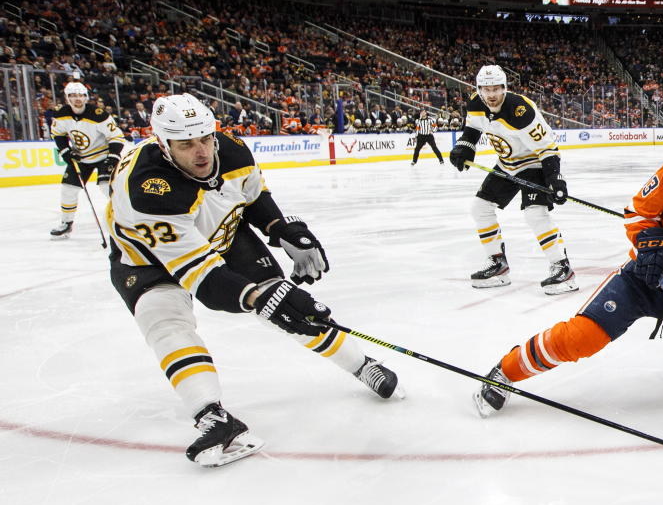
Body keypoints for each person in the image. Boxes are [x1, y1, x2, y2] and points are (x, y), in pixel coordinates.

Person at [107, 93, 402, 467]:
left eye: (205, 139)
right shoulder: (147, 189)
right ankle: (210, 413)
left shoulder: (231, 150)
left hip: (221, 235)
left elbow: (253, 196)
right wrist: (258, 295)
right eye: (186, 145)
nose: (201, 152)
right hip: (146, 258)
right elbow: (204, 279)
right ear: (163, 145)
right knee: (164, 319)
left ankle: (361, 364)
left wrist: (282, 229)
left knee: (287, 306)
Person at [474, 114, 663, 417]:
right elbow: (638, 212)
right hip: (642, 279)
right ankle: (504, 372)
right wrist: (648, 239)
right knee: (581, 338)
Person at [449, 65, 577, 295]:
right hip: (507, 164)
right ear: (479, 89)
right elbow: (472, 128)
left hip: (534, 163)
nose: (491, 95)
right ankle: (498, 264)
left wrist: (555, 179)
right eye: (485, 89)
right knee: (480, 208)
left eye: (496, 89)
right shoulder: (476, 103)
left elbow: (547, 148)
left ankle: (562, 267)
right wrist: (465, 147)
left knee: (535, 214)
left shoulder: (520, 110)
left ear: (505, 88)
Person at [49, 82, 126, 239]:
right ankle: (66, 223)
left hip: (104, 155)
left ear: (86, 97)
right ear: (67, 98)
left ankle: (125, 219)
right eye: (72, 96)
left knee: (107, 188)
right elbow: (58, 134)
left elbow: (117, 137)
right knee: (68, 189)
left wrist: (112, 158)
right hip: (81, 157)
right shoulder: (60, 114)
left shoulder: (99, 114)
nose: (77, 99)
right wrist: (65, 151)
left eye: (81, 95)